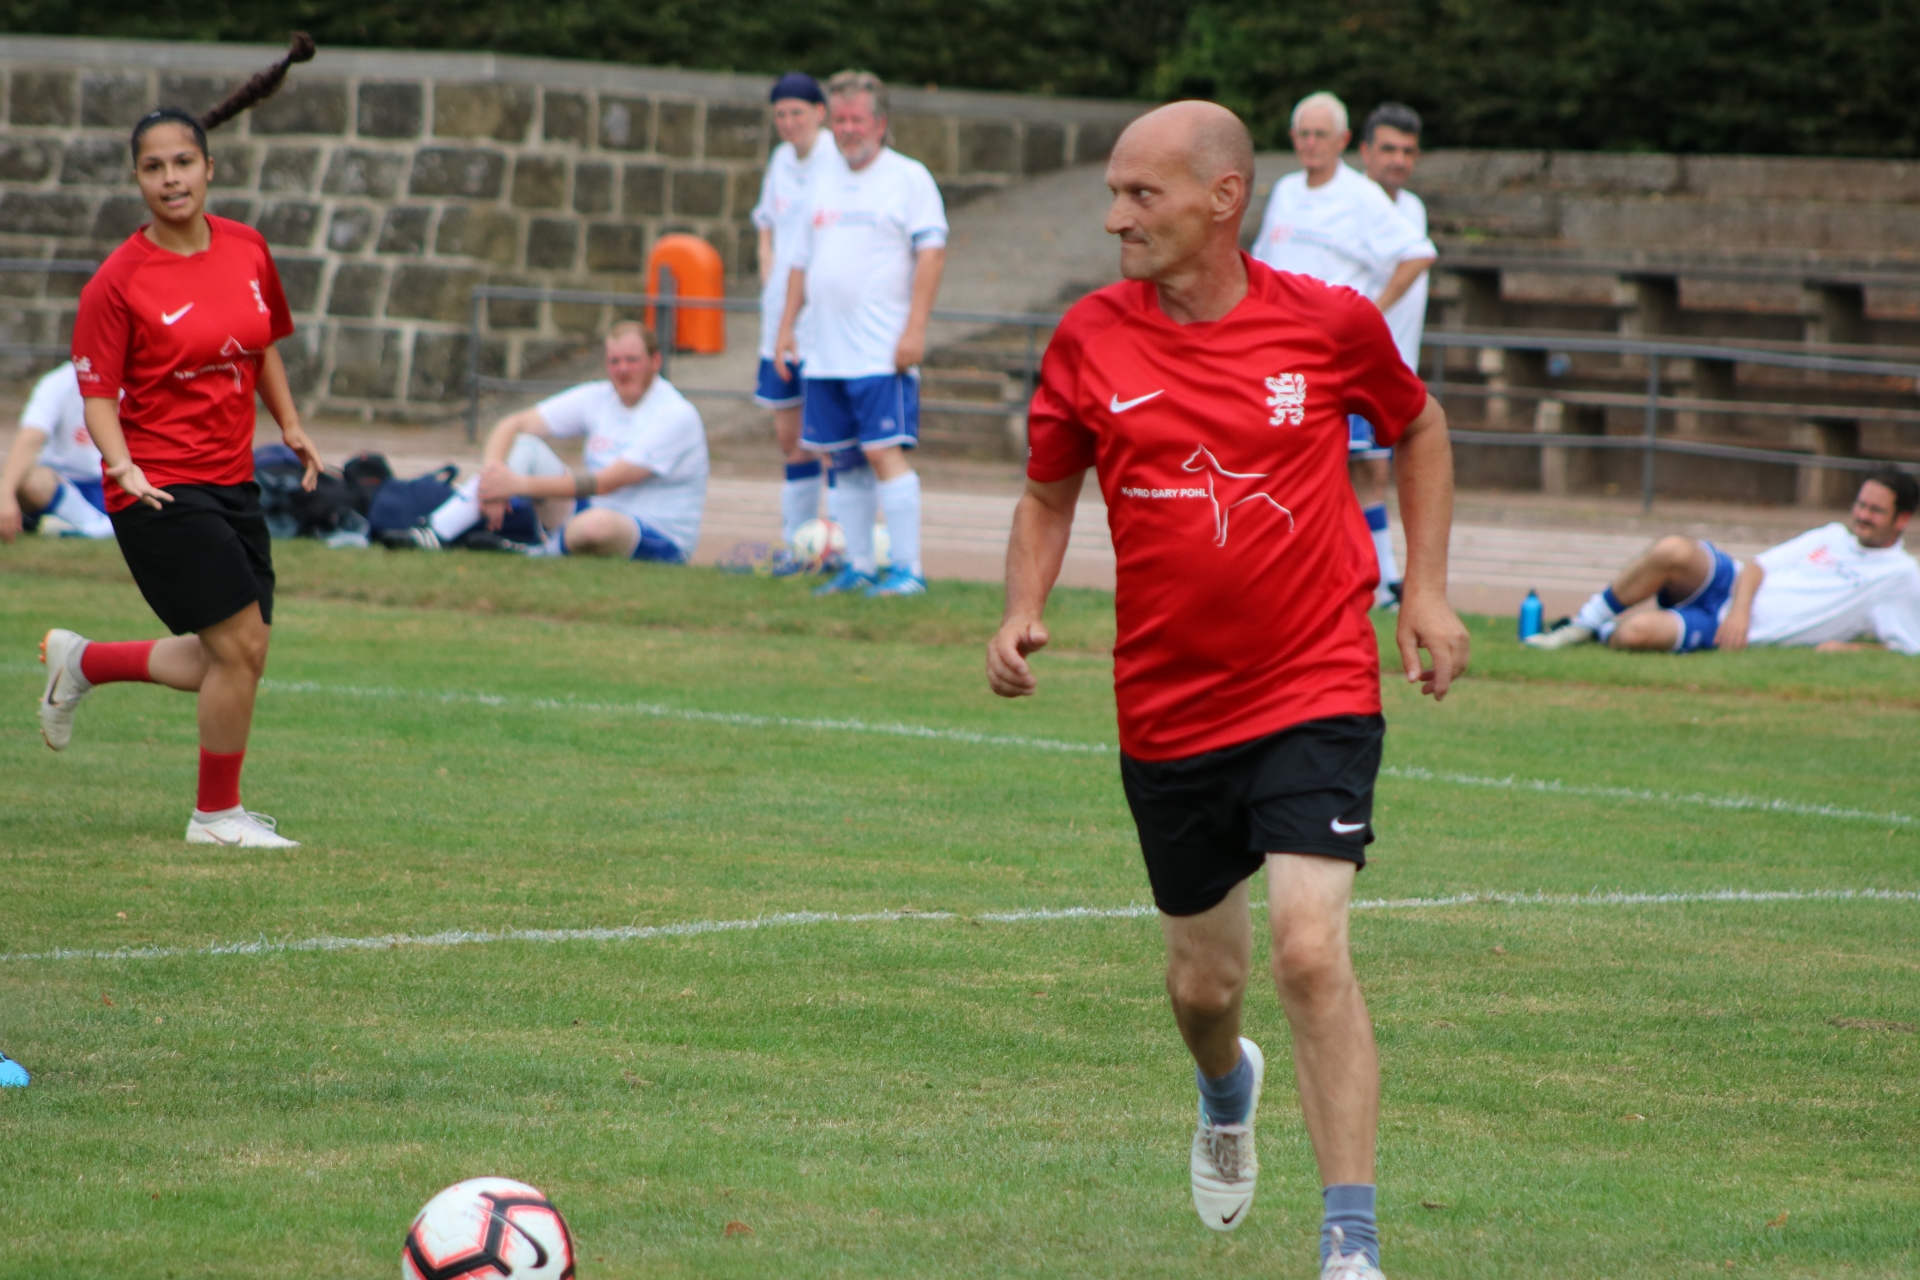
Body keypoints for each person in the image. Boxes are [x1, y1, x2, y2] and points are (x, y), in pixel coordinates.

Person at [986, 100, 1469, 1280]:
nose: (1115, 218)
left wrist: (1424, 589)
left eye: (1139, 194)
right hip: (1168, 710)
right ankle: (1222, 1084)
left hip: (1316, 681)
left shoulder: (1329, 323)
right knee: (1207, 985)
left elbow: (1418, 426)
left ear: (1222, 199)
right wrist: (1020, 604)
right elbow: (1047, 493)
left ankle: (1350, 1242)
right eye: (1113, 193)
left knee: (1308, 948)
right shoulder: (1089, 339)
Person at [38, 39, 324, 850]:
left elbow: (261, 346)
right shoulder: (117, 282)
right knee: (241, 647)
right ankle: (216, 817)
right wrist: (122, 463)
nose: (170, 178)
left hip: (233, 480)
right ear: (138, 180)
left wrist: (291, 425)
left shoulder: (247, 248)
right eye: (153, 167)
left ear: (209, 168)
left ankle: (83, 663)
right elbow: (98, 397)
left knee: (231, 657)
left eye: (183, 162)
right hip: (156, 488)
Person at [1251, 91, 1437, 608]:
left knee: (1357, 469)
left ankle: (1378, 579)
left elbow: (1416, 255)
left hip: (1338, 363)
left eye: (1321, 135)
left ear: (1343, 141)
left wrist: (1368, 316)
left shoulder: (1364, 197)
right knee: (1293, 463)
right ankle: (1324, 574)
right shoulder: (1286, 191)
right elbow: (1264, 263)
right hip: (1283, 358)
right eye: (1304, 134)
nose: (1311, 143)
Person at [773, 69, 947, 597]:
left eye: (857, 120)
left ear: (880, 123)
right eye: (841, 120)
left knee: (882, 453)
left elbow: (931, 254)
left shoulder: (908, 178)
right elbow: (799, 262)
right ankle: (860, 566)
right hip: (825, 351)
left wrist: (915, 330)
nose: (848, 129)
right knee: (841, 460)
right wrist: (786, 330)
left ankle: (909, 570)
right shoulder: (822, 179)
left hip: (879, 350)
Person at [1528, 469, 1920, 653]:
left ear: (1902, 519)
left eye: (1875, 511)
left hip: (1729, 632)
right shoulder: (1832, 535)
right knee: (1673, 549)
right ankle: (1581, 625)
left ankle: (1602, 631)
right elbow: (1758, 566)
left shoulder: (1900, 575)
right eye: (1861, 505)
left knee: (1635, 635)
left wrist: (1846, 650)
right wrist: (1741, 611)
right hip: (1732, 586)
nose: (1862, 516)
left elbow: (1908, 648)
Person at [426, 321, 708, 563]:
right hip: (594, 511)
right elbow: (512, 424)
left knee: (594, 527)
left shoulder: (675, 414)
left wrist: (516, 485)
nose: (623, 369)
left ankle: (539, 554)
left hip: (658, 536)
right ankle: (435, 532)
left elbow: (605, 483)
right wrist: (495, 475)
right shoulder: (598, 397)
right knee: (524, 446)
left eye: (632, 360)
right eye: (614, 361)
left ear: (655, 361)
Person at [749, 72, 841, 566]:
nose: (788, 123)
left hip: (821, 323)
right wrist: (769, 271)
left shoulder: (835, 158)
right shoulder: (780, 161)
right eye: (781, 114)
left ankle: (841, 545)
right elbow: (766, 223)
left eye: (797, 113)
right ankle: (798, 546)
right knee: (791, 440)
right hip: (778, 320)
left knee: (831, 439)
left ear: (819, 113)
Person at [0, 361, 116, 541]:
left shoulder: (141, 380)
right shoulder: (59, 382)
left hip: (119, 481)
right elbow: (31, 436)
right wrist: (5, 492)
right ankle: (94, 523)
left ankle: (71, 523)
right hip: (66, 484)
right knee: (26, 477)